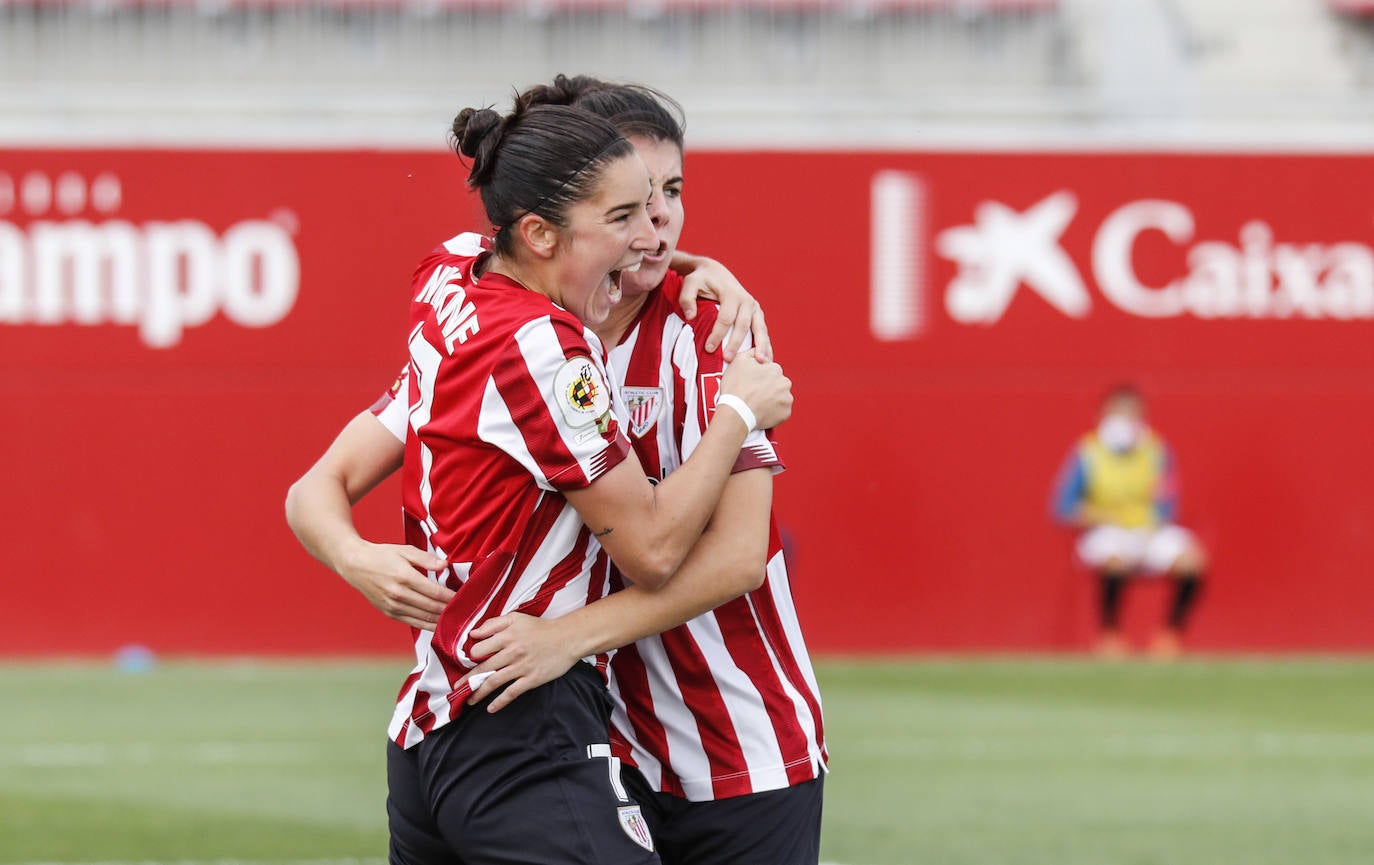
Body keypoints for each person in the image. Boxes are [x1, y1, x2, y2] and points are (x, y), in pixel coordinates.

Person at [285, 77, 824, 865]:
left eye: (670, 193)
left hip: (733, 743)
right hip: (586, 728)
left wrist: (567, 637)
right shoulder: (514, 335)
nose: (657, 221)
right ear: (549, 226)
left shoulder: (713, 330)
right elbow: (315, 486)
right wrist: (356, 554)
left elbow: (740, 557)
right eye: (630, 206)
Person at [1051, 384, 1206, 659]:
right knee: (1114, 559)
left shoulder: (1156, 449)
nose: (1126, 420)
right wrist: (1101, 515)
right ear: (1103, 414)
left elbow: (1168, 501)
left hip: (1148, 530)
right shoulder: (1088, 452)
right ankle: (1110, 635)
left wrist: (1152, 524)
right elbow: (1063, 507)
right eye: (1119, 413)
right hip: (1105, 531)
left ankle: (1170, 636)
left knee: (1191, 560)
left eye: (1132, 413)